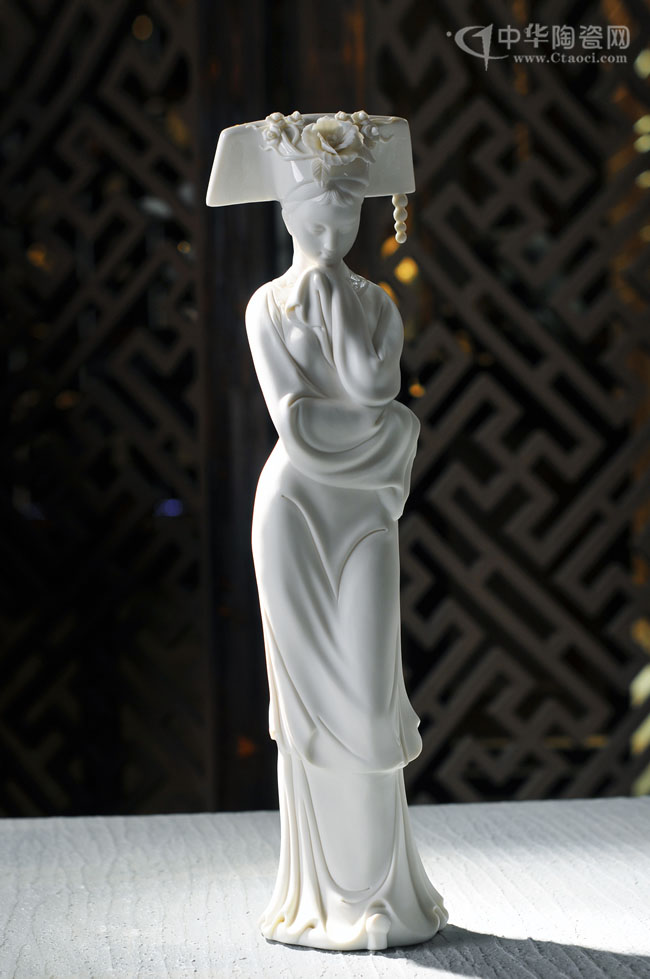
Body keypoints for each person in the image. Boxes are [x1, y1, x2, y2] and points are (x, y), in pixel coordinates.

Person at [207, 111, 448, 951]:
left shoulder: (377, 303)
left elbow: (374, 388)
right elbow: (301, 425)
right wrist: (386, 434)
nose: (333, 223)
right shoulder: (265, 307)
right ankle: (328, 901)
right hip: (295, 511)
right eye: (317, 207)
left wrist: (341, 309)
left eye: (348, 208)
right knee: (310, 711)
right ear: (286, 210)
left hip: (364, 514)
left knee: (371, 698)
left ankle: (385, 895)